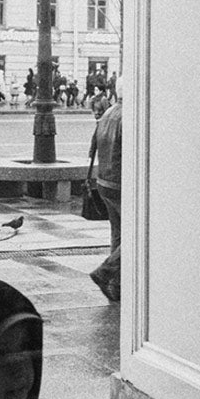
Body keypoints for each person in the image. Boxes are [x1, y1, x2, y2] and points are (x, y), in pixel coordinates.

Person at [86, 97, 123, 302]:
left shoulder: (108, 114)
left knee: (118, 234)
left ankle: (117, 285)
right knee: (137, 235)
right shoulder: (128, 116)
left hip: (104, 182)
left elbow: (93, 149)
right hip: (120, 183)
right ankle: (106, 272)